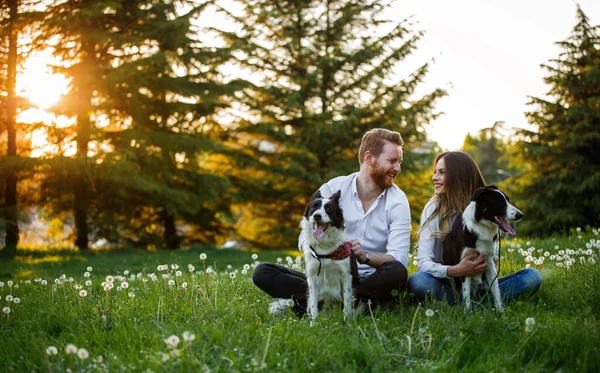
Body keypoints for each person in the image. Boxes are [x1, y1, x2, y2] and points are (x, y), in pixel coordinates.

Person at [252, 128, 411, 316]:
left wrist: (365, 256)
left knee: (397, 272)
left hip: (369, 280)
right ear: (369, 158)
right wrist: (323, 251)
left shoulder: (398, 201)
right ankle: (354, 304)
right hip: (326, 276)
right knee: (263, 272)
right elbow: (305, 234)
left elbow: (399, 258)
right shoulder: (332, 188)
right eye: (392, 161)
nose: (398, 168)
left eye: (399, 162)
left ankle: (311, 304)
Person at [408, 151, 542, 304]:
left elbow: (493, 257)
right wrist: (456, 270)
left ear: (458, 176)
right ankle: (477, 303)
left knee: (532, 276)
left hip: (480, 284)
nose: (434, 177)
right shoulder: (433, 209)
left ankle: (469, 302)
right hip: (447, 283)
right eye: (435, 172)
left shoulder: (487, 204)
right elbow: (423, 264)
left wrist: (485, 259)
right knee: (418, 281)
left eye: (442, 172)